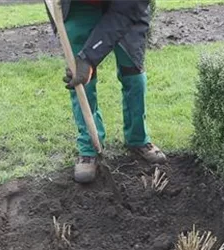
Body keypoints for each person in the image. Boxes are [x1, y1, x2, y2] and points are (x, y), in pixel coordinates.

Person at [45, 0, 166, 184]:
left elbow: (126, 11)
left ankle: (138, 138)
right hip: (79, 5)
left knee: (133, 71)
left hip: (127, 7)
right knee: (80, 75)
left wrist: (89, 57)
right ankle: (89, 147)